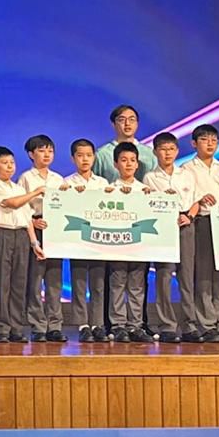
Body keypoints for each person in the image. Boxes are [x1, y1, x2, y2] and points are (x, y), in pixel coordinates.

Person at [94, 105, 158, 339]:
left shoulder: (149, 155)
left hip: (139, 235)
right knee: (116, 280)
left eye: (132, 119)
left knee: (139, 281)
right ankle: (115, 324)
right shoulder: (102, 154)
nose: (127, 124)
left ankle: (137, 324)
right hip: (113, 231)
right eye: (122, 119)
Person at [183, 123, 219, 343]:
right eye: (205, 139)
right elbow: (186, 197)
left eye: (214, 140)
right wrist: (199, 199)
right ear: (194, 143)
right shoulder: (187, 168)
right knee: (204, 275)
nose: (210, 144)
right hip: (202, 221)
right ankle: (207, 324)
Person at [142, 130, 198, 344]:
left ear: (177, 151)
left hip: (186, 225)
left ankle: (189, 325)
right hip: (163, 230)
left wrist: (189, 216)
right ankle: (167, 326)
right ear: (155, 152)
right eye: (163, 149)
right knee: (164, 277)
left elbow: (196, 201)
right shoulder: (150, 177)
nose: (168, 153)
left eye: (172, 149)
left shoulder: (187, 174)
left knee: (187, 277)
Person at [0, 145, 40, 344]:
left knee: (19, 284)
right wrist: (35, 192)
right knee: (2, 283)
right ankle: (2, 328)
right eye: (4, 163)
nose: (9, 167)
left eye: (12, 163)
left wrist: (34, 243)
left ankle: (17, 328)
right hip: (1, 234)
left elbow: (27, 219)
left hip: (21, 236)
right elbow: (12, 203)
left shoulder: (19, 188)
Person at [61, 138, 110, 343]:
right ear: (73, 158)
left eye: (89, 155)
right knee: (79, 283)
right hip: (78, 239)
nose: (85, 159)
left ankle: (97, 324)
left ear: (94, 157)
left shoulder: (103, 183)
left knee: (98, 284)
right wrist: (72, 196)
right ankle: (82, 325)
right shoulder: (66, 183)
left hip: (99, 239)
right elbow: (62, 209)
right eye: (80, 155)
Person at [19, 134, 65, 343]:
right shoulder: (26, 178)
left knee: (54, 281)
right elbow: (21, 206)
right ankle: (38, 326)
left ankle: (55, 326)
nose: (47, 155)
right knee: (35, 281)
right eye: (41, 150)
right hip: (35, 230)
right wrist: (33, 221)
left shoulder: (58, 179)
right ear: (31, 154)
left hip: (55, 232)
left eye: (50, 151)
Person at [105, 142, 151, 343]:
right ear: (116, 164)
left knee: (137, 286)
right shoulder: (109, 190)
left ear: (138, 164)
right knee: (117, 284)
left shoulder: (146, 191)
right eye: (124, 160)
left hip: (139, 246)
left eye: (132, 160)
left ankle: (135, 325)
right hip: (117, 245)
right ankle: (118, 325)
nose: (129, 164)